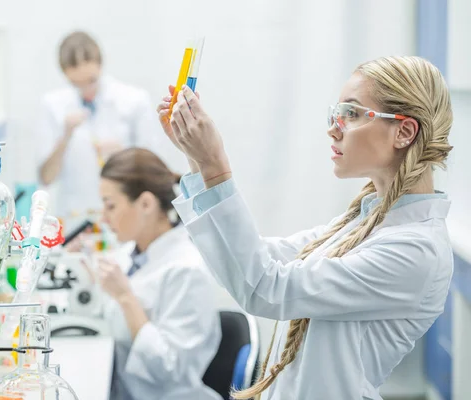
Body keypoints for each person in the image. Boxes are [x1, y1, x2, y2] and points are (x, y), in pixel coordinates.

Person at [157, 56, 454, 400]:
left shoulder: (416, 249)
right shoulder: (362, 222)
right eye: (337, 113)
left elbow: (268, 287)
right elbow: (260, 259)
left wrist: (215, 165)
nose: (334, 127)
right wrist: (196, 158)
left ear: (404, 132)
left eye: (352, 113)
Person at [80, 148, 222, 400]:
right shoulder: (129, 254)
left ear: (145, 203)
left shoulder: (186, 270)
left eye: (110, 206)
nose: (103, 218)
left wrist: (126, 298)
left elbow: (171, 369)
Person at [36, 31, 160, 223]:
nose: (86, 91)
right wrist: (66, 136)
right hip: (74, 219)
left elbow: (153, 167)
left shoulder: (134, 100)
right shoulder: (52, 105)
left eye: (91, 81)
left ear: (100, 65)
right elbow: (46, 178)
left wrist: (124, 154)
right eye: (76, 84)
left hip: (123, 215)